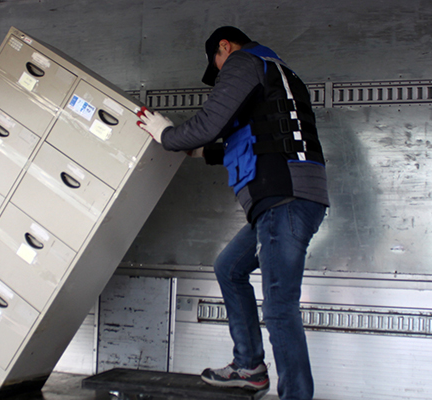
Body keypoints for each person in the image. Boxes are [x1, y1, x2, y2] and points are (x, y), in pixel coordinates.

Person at [136, 26, 328, 400]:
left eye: (217, 64)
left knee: (279, 307)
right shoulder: (278, 71)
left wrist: (167, 135)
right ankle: (250, 367)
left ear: (225, 46)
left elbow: (210, 123)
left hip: (284, 200)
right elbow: (262, 137)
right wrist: (200, 152)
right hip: (288, 198)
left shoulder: (243, 61)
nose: (221, 75)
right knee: (229, 267)